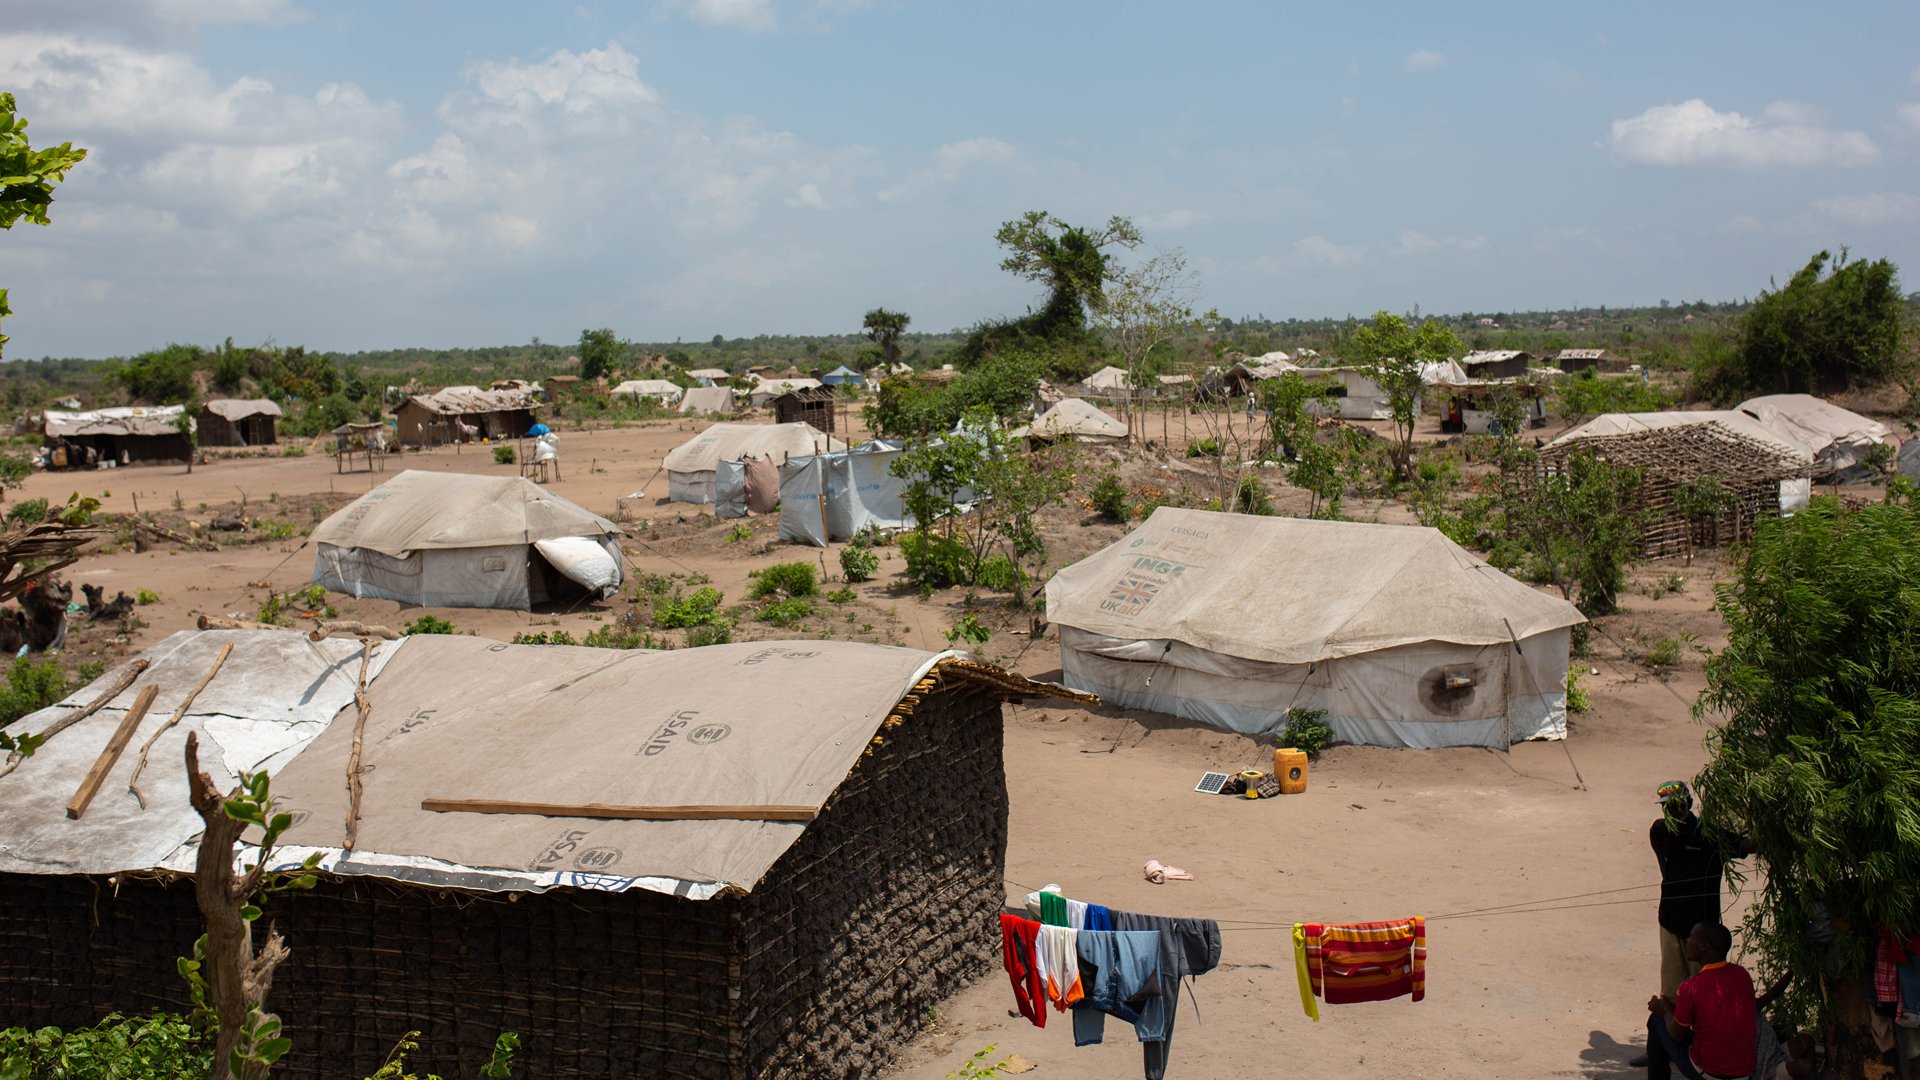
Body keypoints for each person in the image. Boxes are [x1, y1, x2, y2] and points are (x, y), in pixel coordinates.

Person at [1645, 921, 1757, 1080]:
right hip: (1744, 1072)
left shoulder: (1691, 986)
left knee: (1656, 1020)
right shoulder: (1741, 974)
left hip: (1710, 1073)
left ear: (1704, 946)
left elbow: (1677, 1034)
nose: (1687, 941)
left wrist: (1664, 1010)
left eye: (1691, 937)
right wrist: (1678, 1002)